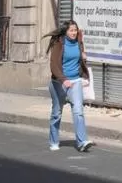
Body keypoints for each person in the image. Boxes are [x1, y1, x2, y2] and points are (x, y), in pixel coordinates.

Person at [45, 20, 94, 152]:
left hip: (75, 81)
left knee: (78, 111)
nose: (74, 33)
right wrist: (63, 79)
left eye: (75, 30)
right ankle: (54, 141)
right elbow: (53, 65)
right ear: (65, 32)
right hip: (59, 83)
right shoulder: (59, 43)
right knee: (57, 113)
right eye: (71, 30)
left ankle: (82, 142)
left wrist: (83, 57)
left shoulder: (78, 41)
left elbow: (79, 56)